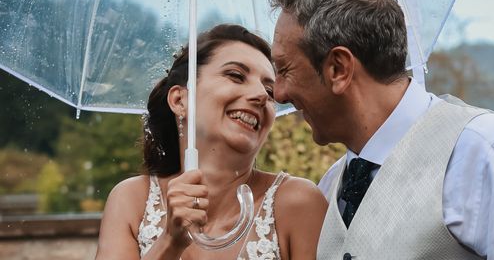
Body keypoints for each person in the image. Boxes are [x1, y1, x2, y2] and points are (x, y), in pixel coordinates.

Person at [269, 0, 494, 259]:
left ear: (338, 68)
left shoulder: (489, 152)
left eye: (284, 70)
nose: (279, 93)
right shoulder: (331, 184)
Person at [96, 24, 327, 260]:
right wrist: (169, 243)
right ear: (179, 100)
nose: (261, 95)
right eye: (236, 76)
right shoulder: (131, 200)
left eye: (269, 91)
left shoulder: (298, 203)